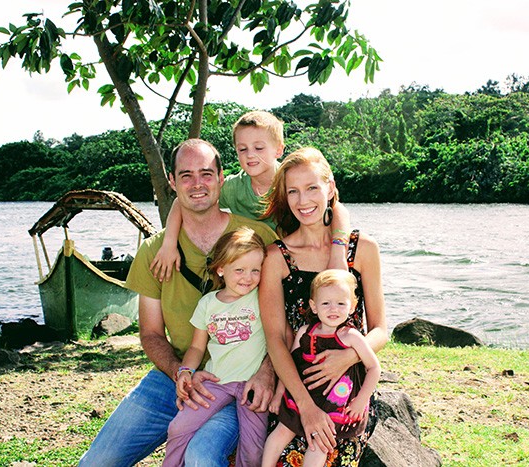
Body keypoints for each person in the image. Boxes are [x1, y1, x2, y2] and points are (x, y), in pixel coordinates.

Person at [79, 139, 278, 467]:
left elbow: (285, 314)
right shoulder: (154, 251)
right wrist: (179, 372)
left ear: (221, 177)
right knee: (96, 463)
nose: (197, 184)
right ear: (172, 182)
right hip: (175, 377)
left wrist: (268, 371)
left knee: (202, 455)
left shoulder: (256, 237)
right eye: (186, 175)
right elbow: (152, 334)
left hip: (239, 376)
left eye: (206, 174)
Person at [259, 147, 388, 466]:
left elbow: (381, 329)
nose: (303, 201)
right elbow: (275, 338)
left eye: (312, 188)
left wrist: (347, 356)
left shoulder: (364, 249)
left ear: (330, 188)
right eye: (293, 191)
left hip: (348, 393)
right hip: (295, 392)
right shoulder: (276, 258)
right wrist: (305, 406)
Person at [150, 110, 351, 283]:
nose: (250, 155)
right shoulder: (233, 187)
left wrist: (338, 250)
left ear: (279, 149)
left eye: (259, 148)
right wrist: (169, 244)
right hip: (254, 267)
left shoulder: (291, 180)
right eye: (242, 149)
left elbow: (336, 207)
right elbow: (183, 201)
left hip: (294, 261)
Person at [163, 227, 269, 467]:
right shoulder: (208, 303)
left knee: (253, 451)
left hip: (251, 387)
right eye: (239, 270)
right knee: (177, 427)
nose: (248, 277)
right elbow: (197, 348)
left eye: (255, 270)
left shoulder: (262, 296)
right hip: (216, 384)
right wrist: (184, 372)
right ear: (221, 269)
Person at [262, 269, 381, 467]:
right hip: (304, 395)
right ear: (314, 306)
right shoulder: (305, 333)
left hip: (335, 401)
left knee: (319, 443)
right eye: (326, 303)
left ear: (352, 307)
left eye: (341, 304)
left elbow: (374, 368)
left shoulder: (351, 336)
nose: (333, 309)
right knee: (280, 432)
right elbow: (289, 365)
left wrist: (361, 400)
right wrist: (278, 394)